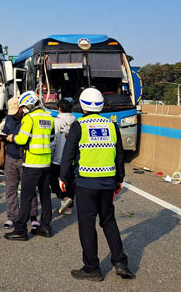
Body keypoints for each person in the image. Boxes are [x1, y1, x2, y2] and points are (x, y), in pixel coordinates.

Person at [59, 88, 132, 281]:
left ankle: (92, 268)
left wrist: (63, 178)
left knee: (87, 225)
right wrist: (119, 180)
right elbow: (119, 155)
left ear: (82, 105)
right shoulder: (112, 125)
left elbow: (68, 154)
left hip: (86, 183)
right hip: (107, 183)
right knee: (108, 221)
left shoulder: (79, 125)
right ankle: (120, 262)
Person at [4, 91, 55, 241]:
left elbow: (21, 139)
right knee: (45, 196)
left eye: (25, 106)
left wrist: (11, 137)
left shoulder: (30, 118)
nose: (24, 108)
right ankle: (45, 226)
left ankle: (20, 230)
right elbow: (52, 138)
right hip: (46, 162)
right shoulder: (48, 117)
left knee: (26, 197)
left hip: (32, 162)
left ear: (31, 104)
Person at [1, 96, 39, 231]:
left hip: (25, 158)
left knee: (29, 190)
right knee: (10, 189)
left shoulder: (29, 118)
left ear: (22, 107)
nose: (14, 114)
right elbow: (5, 133)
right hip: (10, 157)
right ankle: (12, 217)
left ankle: (33, 216)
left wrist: (15, 139)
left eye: (16, 111)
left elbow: (29, 138)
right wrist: (3, 137)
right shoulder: (9, 118)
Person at [52, 99, 76, 215]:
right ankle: (69, 207)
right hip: (71, 158)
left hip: (57, 157)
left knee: (53, 180)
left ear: (59, 109)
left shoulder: (56, 122)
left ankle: (64, 198)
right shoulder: (76, 122)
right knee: (70, 180)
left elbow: (53, 141)